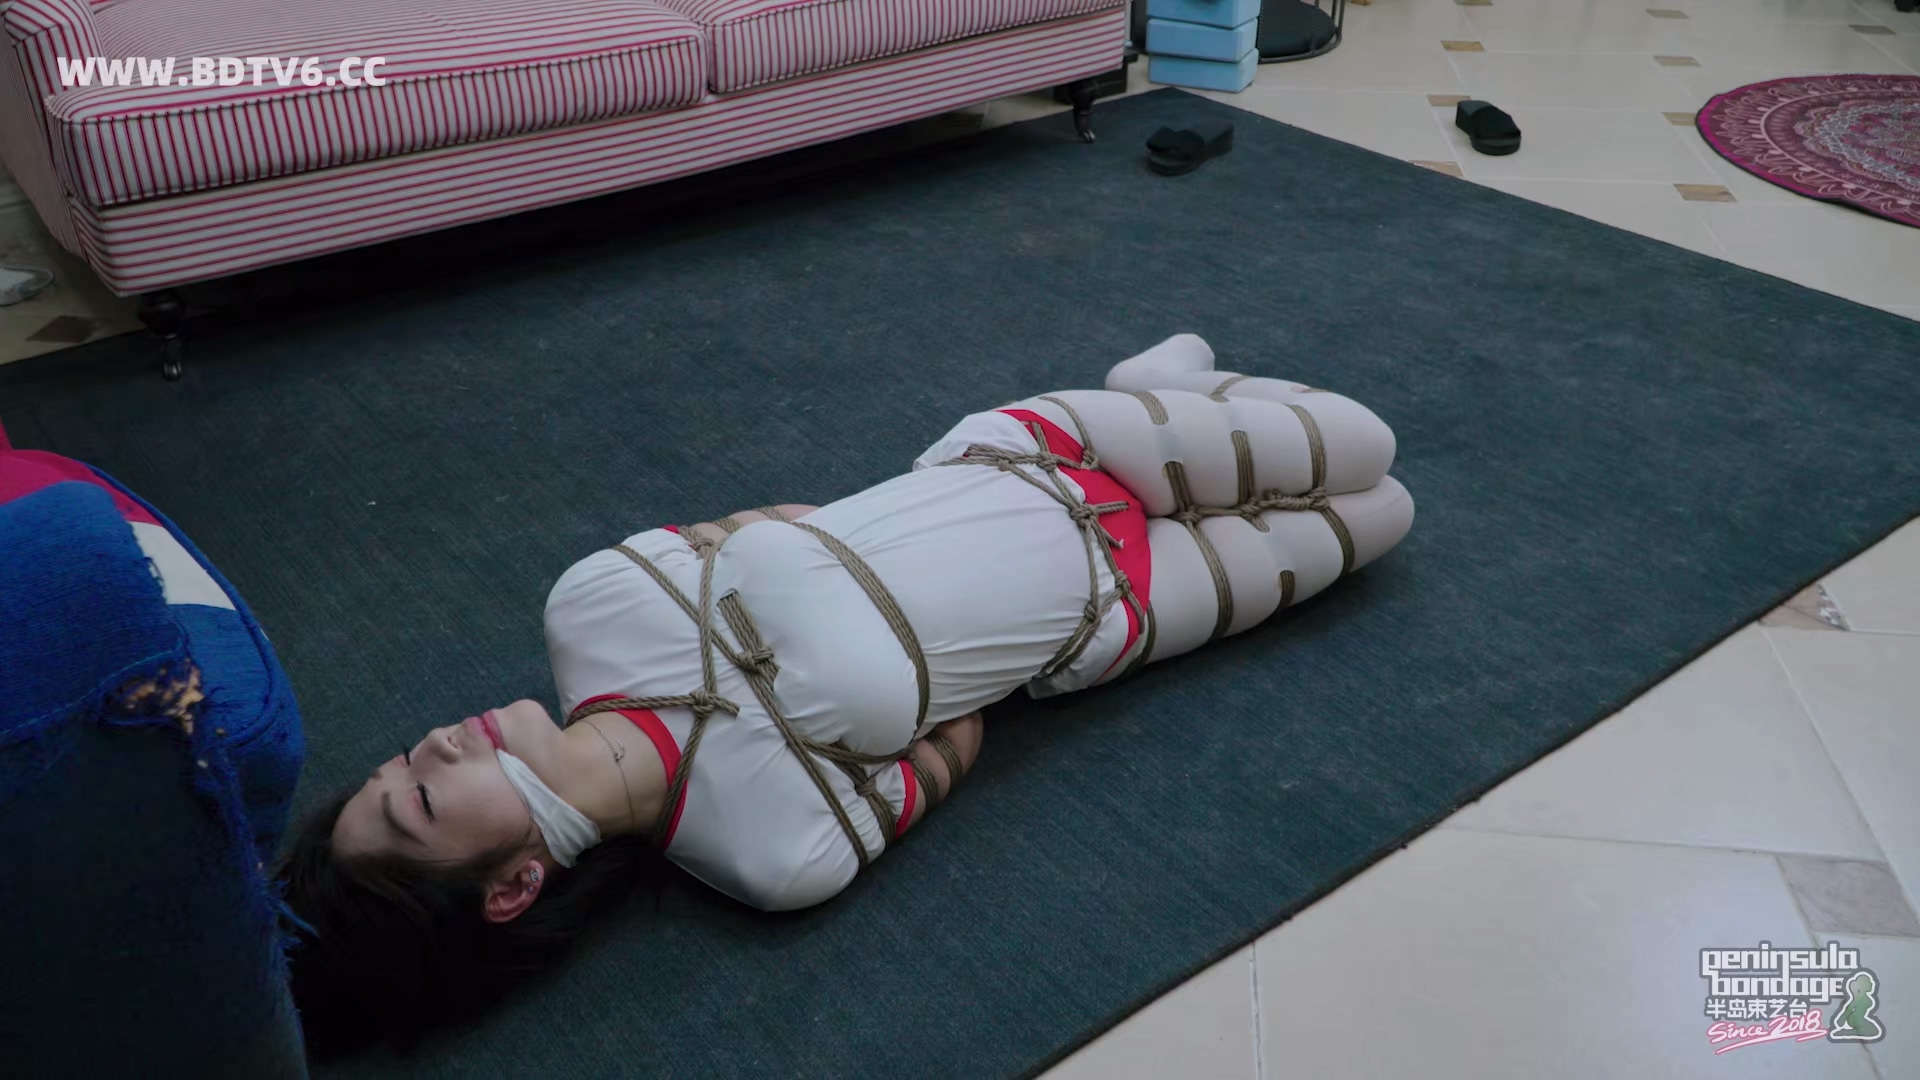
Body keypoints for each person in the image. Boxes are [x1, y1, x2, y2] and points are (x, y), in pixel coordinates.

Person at [280, 334, 1415, 1051]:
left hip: (1041, 457)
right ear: (516, 887)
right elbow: (963, 733)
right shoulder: (773, 854)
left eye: (397, 763)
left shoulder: (594, 603)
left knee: (1366, 445)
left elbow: (794, 519)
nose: (433, 744)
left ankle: (1148, 393)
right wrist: (853, 678)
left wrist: (843, 662)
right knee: (1383, 518)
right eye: (419, 801)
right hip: (1107, 619)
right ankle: (1170, 385)